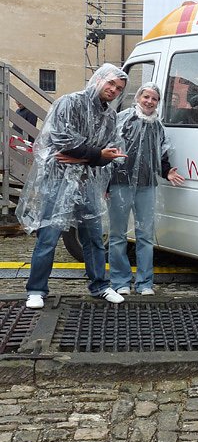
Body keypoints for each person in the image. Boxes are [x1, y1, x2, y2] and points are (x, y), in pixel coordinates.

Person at [16, 64, 129, 309]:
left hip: (88, 182)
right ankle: (36, 289)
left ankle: (100, 285)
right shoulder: (69, 103)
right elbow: (61, 141)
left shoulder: (110, 117)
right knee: (48, 236)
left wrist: (86, 157)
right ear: (98, 79)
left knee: (94, 237)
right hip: (58, 181)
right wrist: (96, 154)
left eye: (119, 88)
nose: (113, 89)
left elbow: (111, 153)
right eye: (110, 83)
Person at [108, 82, 185, 296]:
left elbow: (161, 154)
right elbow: (109, 150)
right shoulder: (123, 119)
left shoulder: (157, 126)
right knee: (117, 234)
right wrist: (106, 183)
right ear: (138, 98)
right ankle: (120, 282)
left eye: (154, 99)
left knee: (145, 235)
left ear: (158, 102)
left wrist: (167, 172)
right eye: (146, 97)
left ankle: (144, 283)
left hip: (146, 185)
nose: (149, 101)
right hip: (120, 183)